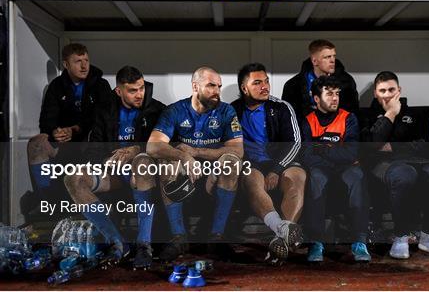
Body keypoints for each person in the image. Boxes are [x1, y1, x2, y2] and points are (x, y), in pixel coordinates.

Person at [64, 66, 165, 268]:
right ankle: (117, 242)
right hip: (113, 173)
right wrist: (107, 162)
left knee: (142, 163)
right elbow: (93, 150)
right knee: (73, 178)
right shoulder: (104, 111)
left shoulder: (156, 109)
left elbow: (164, 146)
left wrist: (136, 150)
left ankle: (144, 245)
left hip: (143, 173)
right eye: (132, 90)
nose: (139, 94)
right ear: (119, 91)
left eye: (141, 88)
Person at [146, 66, 243, 262]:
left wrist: (196, 152)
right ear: (195, 87)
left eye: (219, 86)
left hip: (212, 172)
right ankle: (179, 237)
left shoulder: (226, 110)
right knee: (167, 163)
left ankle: (217, 237)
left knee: (232, 163)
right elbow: (152, 146)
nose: (216, 91)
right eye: (210, 86)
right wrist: (184, 157)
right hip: (183, 175)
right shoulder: (175, 110)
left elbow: (237, 150)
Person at [360, 71, 429, 259]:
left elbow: (424, 144)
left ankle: (428, 234)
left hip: (419, 160)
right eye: (382, 90)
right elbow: (372, 144)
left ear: (399, 90)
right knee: (405, 174)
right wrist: (391, 113)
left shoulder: (413, 114)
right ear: (375, 93)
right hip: (383, 163)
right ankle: (401, 236)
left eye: (391, 90)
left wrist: (392, 145)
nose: (387, 94)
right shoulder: (367, 115)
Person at [231, 63, 305, 265]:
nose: (265, 86)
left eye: (266, 81)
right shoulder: (231, 111)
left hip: (281, 161)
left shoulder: (281, 107)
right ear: (244, 88)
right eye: (257, 83)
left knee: (298, 177)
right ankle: (281, 229)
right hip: (252, 164)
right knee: (250, 177)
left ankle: (281, 240)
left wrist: (276, 169)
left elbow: (295, 143)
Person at [25, 43, 111, 207]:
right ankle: (46, 201)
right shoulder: (57, 86)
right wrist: (54, 131)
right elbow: (46, 119)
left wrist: (76, 130)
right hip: (64, 141)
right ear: (66, 64)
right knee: (36, 144)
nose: (84, 65)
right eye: (78, 61)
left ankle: (90, 204)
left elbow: (102, 119)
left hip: (89, 140)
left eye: (86, 60)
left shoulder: (101, 85)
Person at [302, 75, 371, 263]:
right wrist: (334, 154)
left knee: (357, 176)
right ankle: (316, 242)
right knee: (315, 177)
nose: (334, 98)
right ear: (316, 98)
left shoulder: (348, 118)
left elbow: (351, 153)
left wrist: (322, 149)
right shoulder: (308, 121)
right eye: (329, 93)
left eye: (337, 94)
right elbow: (307, 156)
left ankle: (359, 241)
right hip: (323, 169)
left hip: (346, 168)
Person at [282, 39, 360, 120]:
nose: (332, 60)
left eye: (334, 56)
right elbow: (288, 117)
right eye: (327, 57)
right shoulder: (293, 85)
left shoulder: (346, 82)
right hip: (305, 130)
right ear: (315, 61)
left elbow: (353, 114)